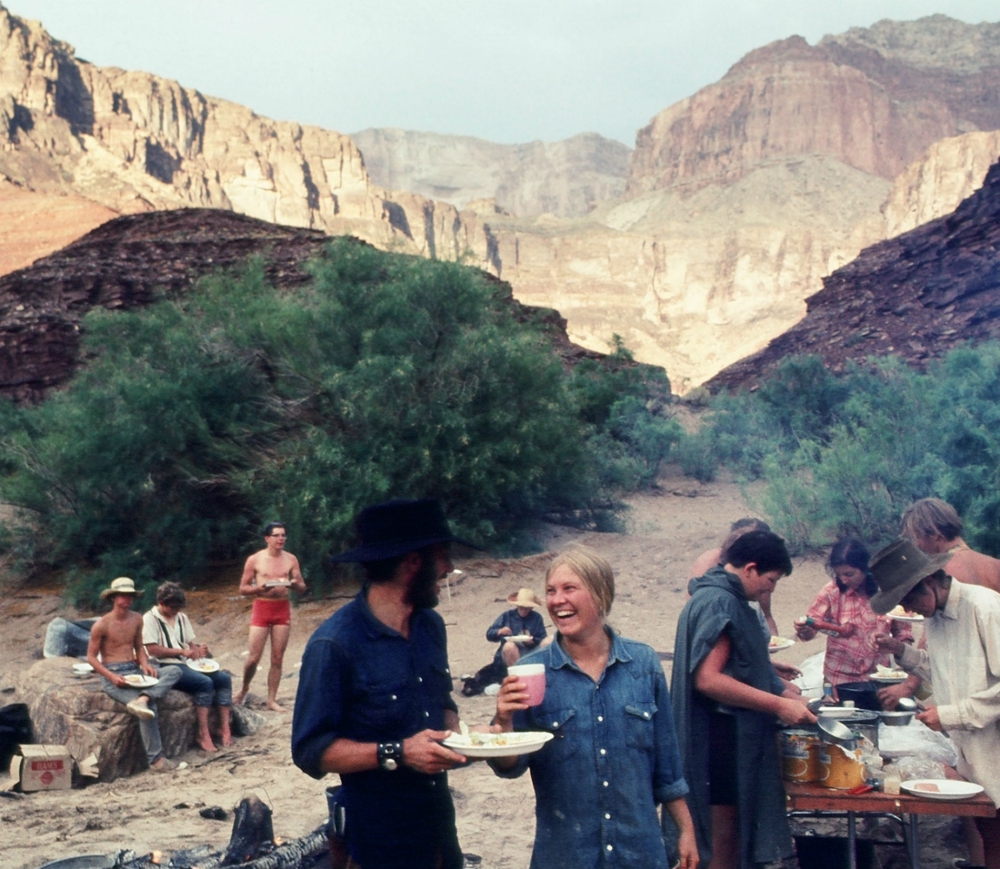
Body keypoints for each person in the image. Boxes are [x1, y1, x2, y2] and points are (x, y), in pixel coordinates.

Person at [291, 499, 473, 869]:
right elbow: (310, 750)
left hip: (440, 837)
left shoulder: (430, 627)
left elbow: (442, 701)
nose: (448, 568)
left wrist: (461, 735)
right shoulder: (335, 644)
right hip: (376, 846)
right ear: (413, 562)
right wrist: (399, 752)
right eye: (443, 555)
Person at [491, 545, 697, 869]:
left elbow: (667, 766)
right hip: (566, 857)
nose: (557, 600)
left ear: (600, 594)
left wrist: (686, 831)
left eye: (569, 588)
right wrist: (503, 722)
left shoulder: (643, 664)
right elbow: (510, 766)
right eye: (551, 591)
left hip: (639, 855)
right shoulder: (530, 673)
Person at [674, 530, 815, 869]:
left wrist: (774, 680)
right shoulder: (721, 602)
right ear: (750, 569)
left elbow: (734, 663)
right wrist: (780, 705)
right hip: (719, 740)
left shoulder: (718, 596)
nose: (770, 589)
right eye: (771, 580)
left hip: (721, 737)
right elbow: (708, 679)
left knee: (727, 836)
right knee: (722, 839)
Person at [871, 538, 1000, 869]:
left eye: (909, 599)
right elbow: (944, 669)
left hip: (994, 742)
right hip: (974, 748)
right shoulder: (937, 617)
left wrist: (951, 715)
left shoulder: (985, 607)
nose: (909, 610)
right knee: (990, 834)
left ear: (929, 581)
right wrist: (902, 651)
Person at [86, 577, 182, 773]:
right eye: (122, 595)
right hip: (114, 673)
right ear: (113, 598)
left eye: (130, 595)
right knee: (149, 709)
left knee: (175, 670)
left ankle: (144, 697)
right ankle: (157, 761)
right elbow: (91, 657)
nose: (127, 599)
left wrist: (145, 664)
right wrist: (111, 676)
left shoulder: (137, 618)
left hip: (134, 669)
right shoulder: (101, 625)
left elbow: (139, 647)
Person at [794, 538, 914, 693]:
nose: (844, 580)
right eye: (839, 574)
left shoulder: (885, 590)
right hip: (839, 678)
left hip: (879, 676)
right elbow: (812, 628)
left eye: (849, 574)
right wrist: (804, 630)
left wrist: (902, 659)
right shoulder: (831, 591)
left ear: (864, 568)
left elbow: (903, 632)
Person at [143, 581, 233, 752]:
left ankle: (224, 727)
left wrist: (198, 651)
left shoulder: (181, 617)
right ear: (162, 603)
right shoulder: (150, 619)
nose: (176, 611)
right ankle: (203, 733)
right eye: (173, 608)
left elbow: (190, 644)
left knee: (223, 679)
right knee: (204, 683)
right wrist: (181, 651)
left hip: (186, 662)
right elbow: (152, 649)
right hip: (166, 665)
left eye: (179, 608)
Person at [235, 521, 307, 712]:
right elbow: (243, 588)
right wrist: (259, 588)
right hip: (262, 606)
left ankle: (272, 699)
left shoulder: (290, 559)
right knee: (253, 657)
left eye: (283, 535)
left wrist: (294, 584)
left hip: (282, 607)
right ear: (267, 538)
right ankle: (244, 688)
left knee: (277, 657)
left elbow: (302, 587)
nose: (281, 538)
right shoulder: (255, 559)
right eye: (276, 535)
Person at [691, 518, 779, 636]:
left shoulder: (759, 571)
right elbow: (697, 615)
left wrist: (774, 640)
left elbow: (766, 615)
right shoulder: (709, 562)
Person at [902, 498, 1000, 594]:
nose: (917, 544)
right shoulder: (996, 565)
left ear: (934, 534)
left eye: (918, 536)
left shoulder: (940, 576)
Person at [486, 587, 547, 668]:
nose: (523, 610)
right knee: (509, 646)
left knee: (549, 641)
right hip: (509, 655)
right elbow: (489, 634)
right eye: (521, 607)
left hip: (530, 652)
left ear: (531, 608)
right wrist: (500, 631)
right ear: (517, 605)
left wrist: (533, 641)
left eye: (526, 608)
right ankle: (516, 672)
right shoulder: (507, 616)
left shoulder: (536, 617)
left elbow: (543, 638)